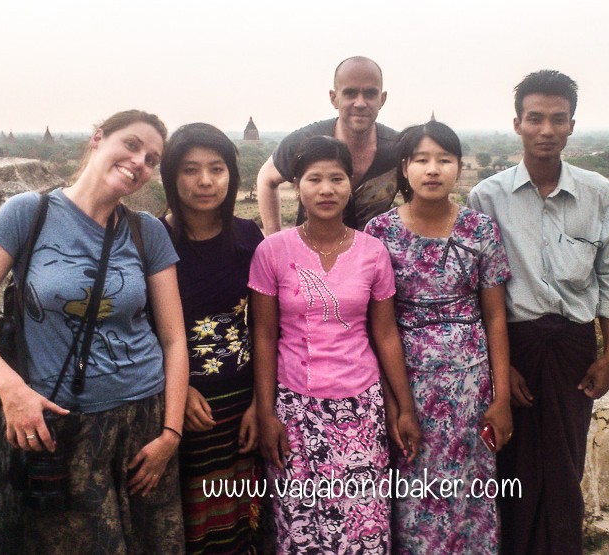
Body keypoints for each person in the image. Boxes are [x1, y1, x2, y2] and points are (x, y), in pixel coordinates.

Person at [0, 110, 189, 554]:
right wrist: (11, 390)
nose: (139, 162)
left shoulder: (145, 230)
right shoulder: (28, 214)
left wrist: (170, 434)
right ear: (97, 139)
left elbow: (173, 339)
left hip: (145, 420)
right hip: (65, 425)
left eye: (151, 158)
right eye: (131, 145)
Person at [467, 70, 609, 554]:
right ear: (517, 123)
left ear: (572, 125)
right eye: (535, 118)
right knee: (511, 463)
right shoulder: (488, 197)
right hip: (514, 343)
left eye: (558, 120)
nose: (546, 130)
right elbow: (478, 290)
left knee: (564, 463)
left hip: (573, 346)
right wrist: (502, 370)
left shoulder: (598, 194)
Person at [249, 136, 421, 554]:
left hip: (360, 410)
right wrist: (266, 411)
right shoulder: (272, 252)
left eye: (337, 179)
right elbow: (265, 335)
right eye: (314, 179)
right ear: (296, 186)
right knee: (302, 527)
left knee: (363, 525)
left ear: (350, 185)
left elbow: (384, 334)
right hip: (294, 410)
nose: (326, 190)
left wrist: (404, 408)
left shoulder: (373, 252)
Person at [365, 121, 513, 554]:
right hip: (407, 382)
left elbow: (495, 317)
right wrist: (396, 404)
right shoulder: (380, 234)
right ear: (404, 168)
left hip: (471, 387)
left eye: (444, 160)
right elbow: (381, 326)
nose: (433, 170)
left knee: (473, 491)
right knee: (414, 491)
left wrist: (501, 398)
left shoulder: (480, 230)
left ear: (459, 167)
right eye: (422, 160)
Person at [159, 123, 266, 554]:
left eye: (216, 169)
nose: (205, 181)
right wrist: (180, 393)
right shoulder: (153, 238)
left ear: (231, 175)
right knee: (190, 518)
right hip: (180, 404)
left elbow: (261, 327)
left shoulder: (248, 237)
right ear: (171, 176)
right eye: (190, 170)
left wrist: (261, 402)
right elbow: (147, 329)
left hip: (240, 400)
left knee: (240, 518)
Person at [255, 56, 398, 235]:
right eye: (350, 93)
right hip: (308, 255)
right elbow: (266, 178)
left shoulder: (398, 150)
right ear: (334, 98)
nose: (360, 103)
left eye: (369, 94)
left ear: (382, 99)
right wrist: (273, 242)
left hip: (373, 258)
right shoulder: (305, 142)